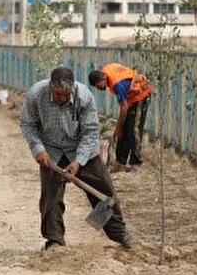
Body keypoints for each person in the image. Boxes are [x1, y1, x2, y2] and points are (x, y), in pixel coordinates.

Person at [20, 66, 133, 251]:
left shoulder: (84, 96)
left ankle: (119, 234)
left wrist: (79, 161)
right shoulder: (36, 94)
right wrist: (37, 149)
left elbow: (90, 132)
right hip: (51, 151)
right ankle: (55, 241)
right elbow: (27, 124)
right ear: (50, 86)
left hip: (82, 149)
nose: (63, 98)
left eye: (66, 94)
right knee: (51, 197)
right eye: (58, 94)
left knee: (104, 190)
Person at [88, 64, 153, 172]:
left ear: (103, 78)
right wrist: (120, 128)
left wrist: (118, 127)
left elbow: (124, 107)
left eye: (98, 85)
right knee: (124, 131)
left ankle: (136, 163)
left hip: (141, 95)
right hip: (131, 97)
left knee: (133, 130)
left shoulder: (117, 85)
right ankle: (120, 162)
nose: (98, 89)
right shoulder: (106, 70)